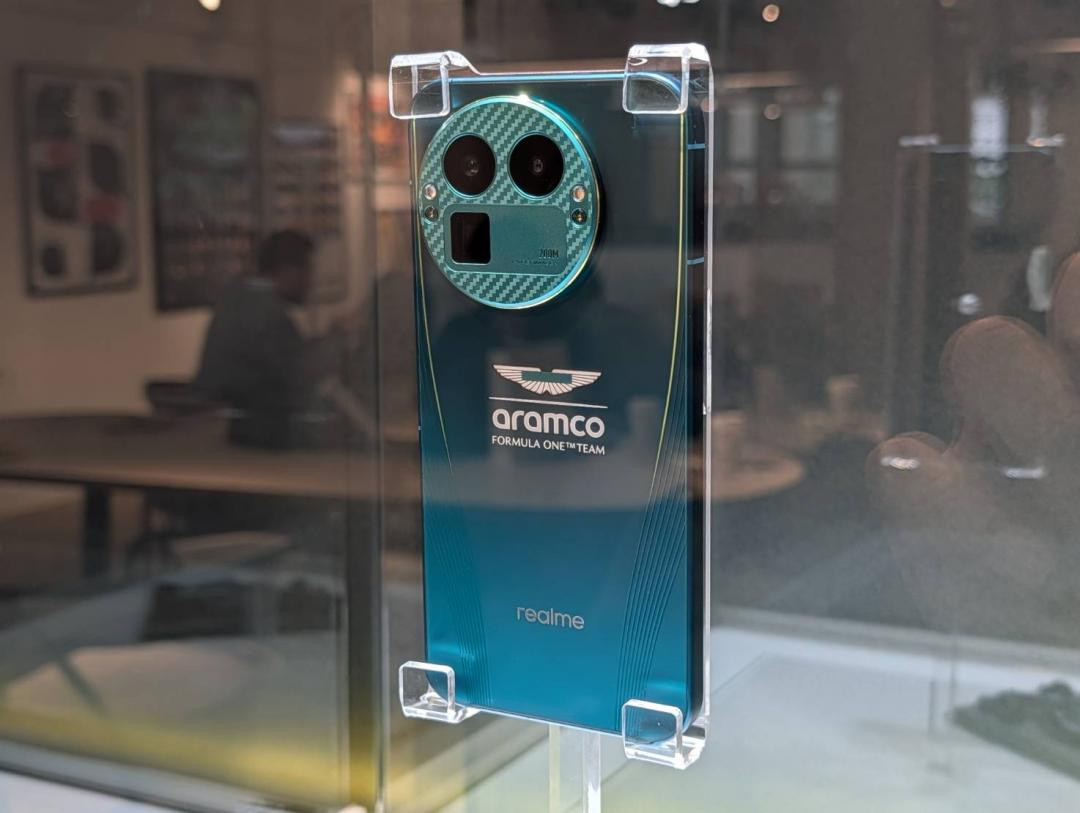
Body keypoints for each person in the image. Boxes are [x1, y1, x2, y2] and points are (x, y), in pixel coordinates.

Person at [195, 229, 362, 449]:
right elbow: (300, 371)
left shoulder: (242, 296)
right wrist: (339, 336)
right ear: (288, 271)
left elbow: (288, 357)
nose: (310, 281)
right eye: (308, 271)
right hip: (261, 430)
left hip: (242, 424)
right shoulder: (263, 310)